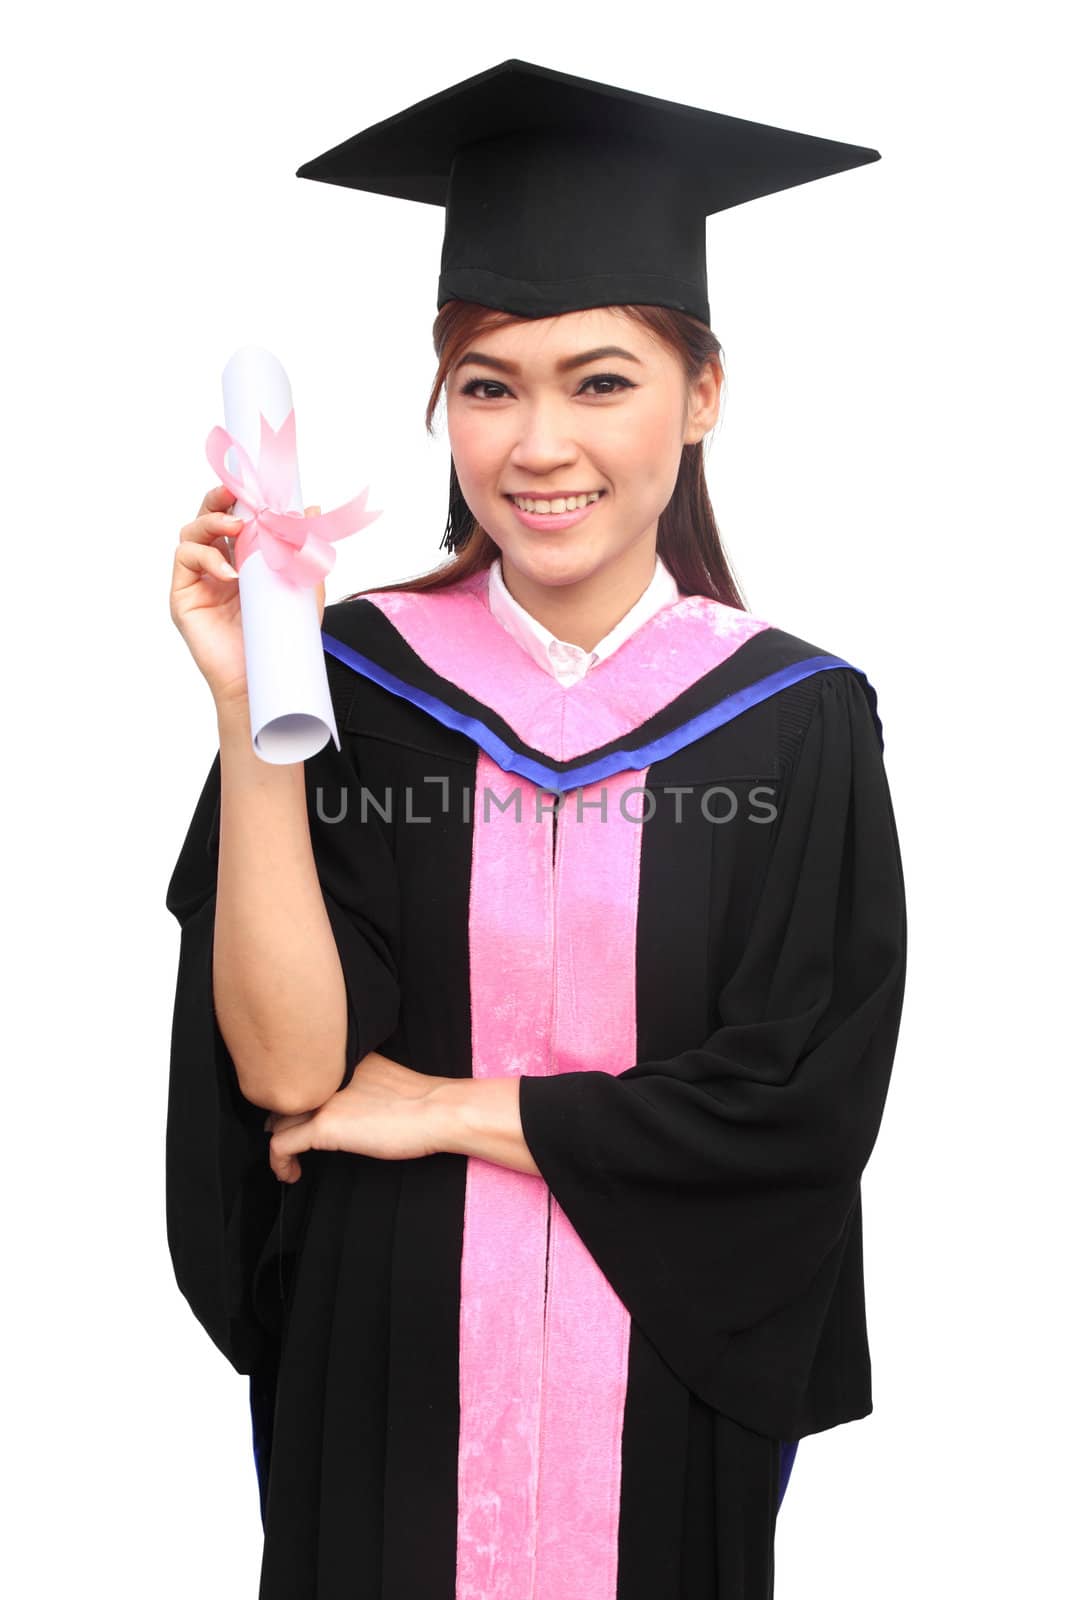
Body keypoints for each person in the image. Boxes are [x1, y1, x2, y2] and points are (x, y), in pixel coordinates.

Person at [165, 60, 906, 1600]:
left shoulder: (789, 718)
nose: (537, 445)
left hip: (665, 1366)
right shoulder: (353, 680)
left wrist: (442, 1107)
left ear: (701, 395)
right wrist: (251, 713)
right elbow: (292, 1076)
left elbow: (795, 1108)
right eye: (489, 386)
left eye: (600, 380)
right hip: (385, 1368)